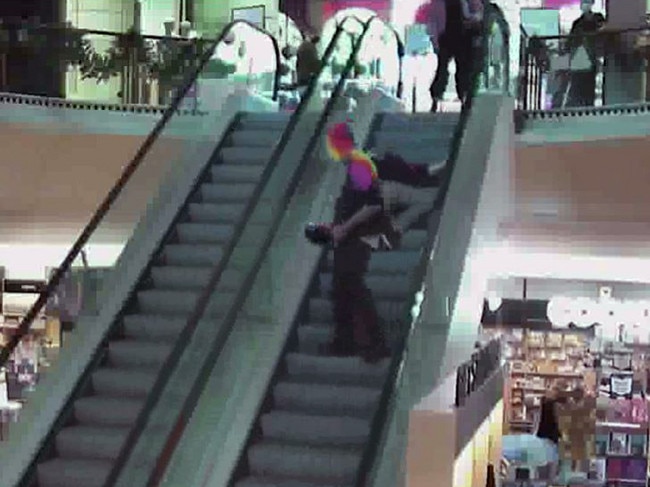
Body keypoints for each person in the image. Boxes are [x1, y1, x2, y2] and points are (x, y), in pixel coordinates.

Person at [323, 123, 445, 363]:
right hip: (351, 236)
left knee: (352, 287)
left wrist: (344, 229)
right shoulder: (357, 164)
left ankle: (372, 343)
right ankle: (346, 341)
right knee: (342, 288)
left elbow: (372, 204)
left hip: (357, 237)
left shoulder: (359, 167)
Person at [429, 0, 483, 112]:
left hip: (458, 37)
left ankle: (458, 97)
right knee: (449, 69)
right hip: (453, 37)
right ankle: (441, 97)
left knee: (458, 69)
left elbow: (478, 14)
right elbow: (434, 21)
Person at [566, 0, 606, 107]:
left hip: (591, 57)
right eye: (583, 2)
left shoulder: (597, 18)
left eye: (587, 2)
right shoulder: (577, 23)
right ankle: (577, 107)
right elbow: (570, 41)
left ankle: (589, 106)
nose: (584, 5)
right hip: (578, 58)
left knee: (589, 84)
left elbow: (602, 32)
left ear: (592, 4)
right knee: (577, 85)